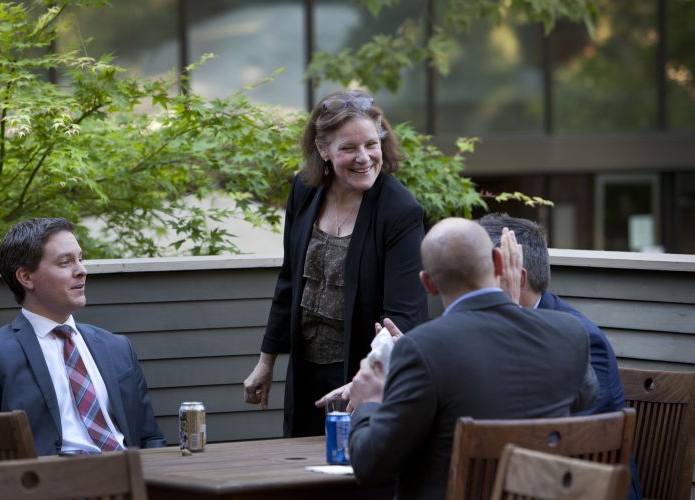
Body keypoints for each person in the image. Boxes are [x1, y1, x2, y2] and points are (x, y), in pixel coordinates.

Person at [348, 218, 597, 499]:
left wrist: (369, 402)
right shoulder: (568, 333)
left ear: (428, 283)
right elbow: (585, 399)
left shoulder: (423, 348)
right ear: (499, 263)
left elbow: (371, 467)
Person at [243, 90, 429, 437]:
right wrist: (266, 363)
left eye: (371, 145)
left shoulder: (400, 211)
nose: (364, 158)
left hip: (363, 377)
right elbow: (289, 283)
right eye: (348, 148)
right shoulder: (305, 190)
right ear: (323, 150)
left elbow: (402, 317)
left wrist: (364, 383)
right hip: (305, 373)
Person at [0, 218, 165, 456]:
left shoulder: (117, 347)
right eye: (65, 262)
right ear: (26, 277)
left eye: (80, 259)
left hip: (133, 480)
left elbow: (151, 437)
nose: (82, 270)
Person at [478, 212, 642, 500]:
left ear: (516, 277)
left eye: (479, 272)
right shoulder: (487, 325)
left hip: (585, 485)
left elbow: (568, 438)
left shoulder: (581, 338)